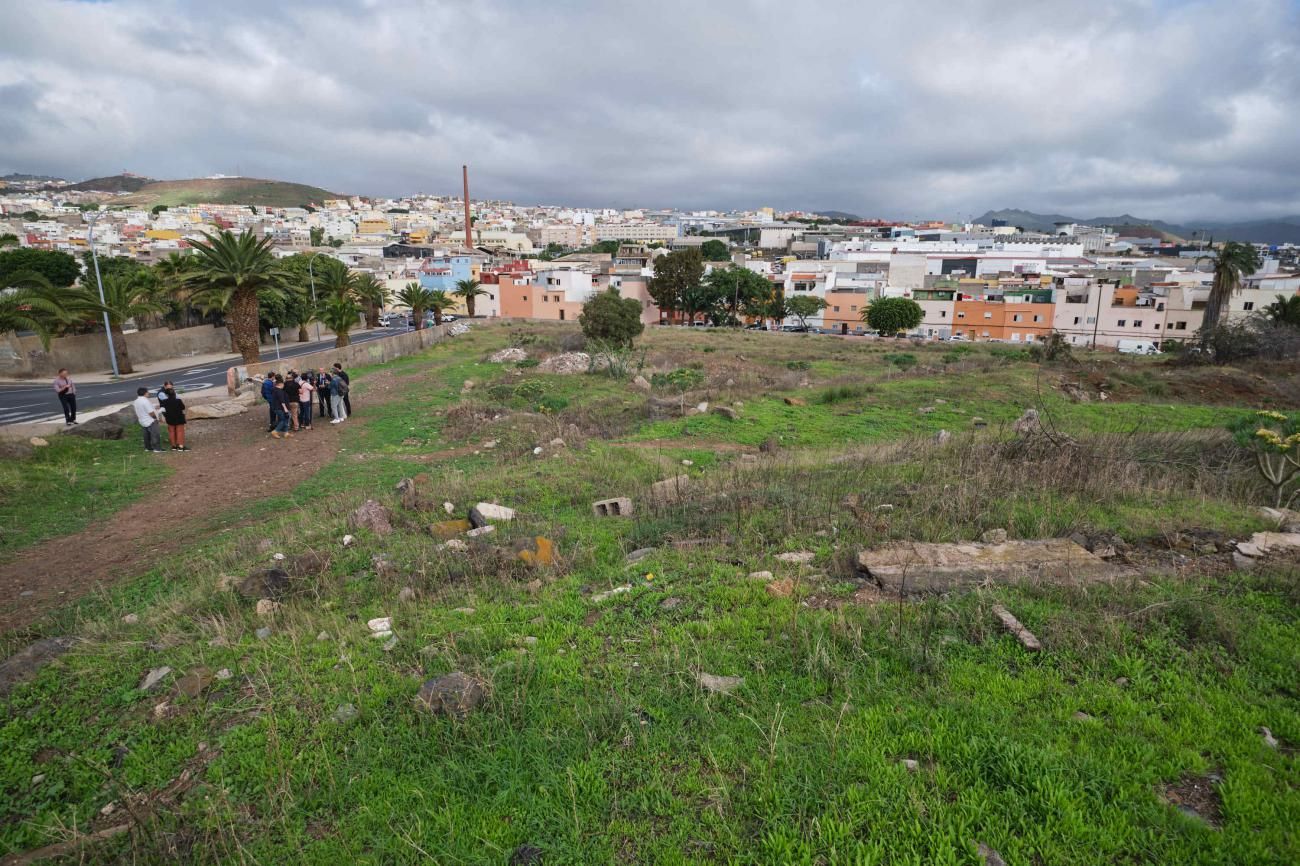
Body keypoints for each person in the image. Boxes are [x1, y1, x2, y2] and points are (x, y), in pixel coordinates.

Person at [132, 386, 163, 453]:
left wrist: (154, 406)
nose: (148, 393)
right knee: (155, 434)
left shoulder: (136, 401)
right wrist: (156, 418)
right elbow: (151, 412)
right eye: (147, 392)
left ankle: (148, 447)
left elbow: (143, 408)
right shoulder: (145, 401)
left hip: (142, 420)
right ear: (145, 393)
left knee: (146, 435)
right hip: (150, 420)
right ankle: (157, 448)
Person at [159, 386, 189, 451]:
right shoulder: (178, 401)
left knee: (171, 432)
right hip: (179, 418)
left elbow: (163, 409)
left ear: (166, 395)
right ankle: (181, 446)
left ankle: (174, 446)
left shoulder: (164, 401)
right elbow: (183, 407)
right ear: (174, 393)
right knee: (180, 431)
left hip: (169, 418)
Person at [270, 374, 293, 439]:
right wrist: (285, 409)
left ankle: (286, 433)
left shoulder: (274, 390)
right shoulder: (279, 391)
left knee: (285, 419)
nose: (283, 386)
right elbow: (282, 401)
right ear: (280, 384)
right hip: (280, 408)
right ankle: (275, 431)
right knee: (283, 420)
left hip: (276, 408)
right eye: (283, 384)